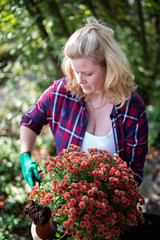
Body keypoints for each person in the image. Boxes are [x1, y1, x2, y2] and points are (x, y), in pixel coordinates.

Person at [20, 17, 148, 191]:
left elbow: (135, 173)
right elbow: (29, 121)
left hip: (107, 209)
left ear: (109, 67)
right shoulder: (60, 92)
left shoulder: (131, 107)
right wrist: (25, 156)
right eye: (75, 70)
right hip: (67, 202)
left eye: (87, 73)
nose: (79, 80)